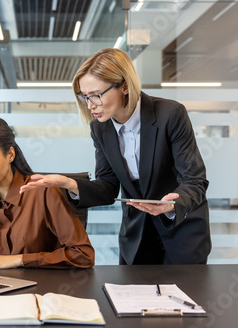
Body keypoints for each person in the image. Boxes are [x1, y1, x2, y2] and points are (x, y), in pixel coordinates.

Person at [20, 48, 211, 265]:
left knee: (185, 297)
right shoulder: (100, 128)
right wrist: (71, 184)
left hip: (181, 232)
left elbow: (195, 181)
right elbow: (108, 186)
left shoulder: (171, 115)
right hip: (136, 236)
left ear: (125, 86)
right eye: (85, 97)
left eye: (96, 95)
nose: (90, 105)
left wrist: (172, 205)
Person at [0, 117, 95, 270]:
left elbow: (83, 255)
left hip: (40, 287)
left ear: (10, 155)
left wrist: (19, 259)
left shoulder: (44, 193)